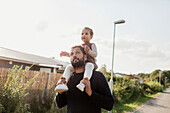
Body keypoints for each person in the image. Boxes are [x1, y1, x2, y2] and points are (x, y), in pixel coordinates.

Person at [55, 45, 114, 113]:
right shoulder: (68, 78)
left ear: (85, 57)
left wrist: (90, 93)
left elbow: (109, 104)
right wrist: (60, 92)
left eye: (78, 52)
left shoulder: (98, 76)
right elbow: (60, 104)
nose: (74, 55)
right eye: (71, 54)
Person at [55, 27, 98, 92]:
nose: (84, 35)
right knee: (69, 67)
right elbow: (74, 55)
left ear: (91, 37)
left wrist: (89, 51)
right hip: (79, 65)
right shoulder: (79, 46)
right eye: (82, 34)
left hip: (89, 62)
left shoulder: (92, 45)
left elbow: (95, 54)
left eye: (86, 34)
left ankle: (84, 82)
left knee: (89, 66)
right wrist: (66, 54)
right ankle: (63, 82)